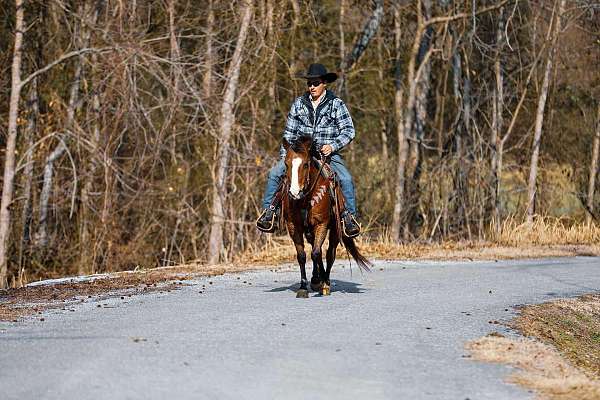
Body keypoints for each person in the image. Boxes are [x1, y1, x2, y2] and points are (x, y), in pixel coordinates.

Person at [256, 63, 360, 237]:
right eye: (309, 83)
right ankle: (269, 212)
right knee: (275, 174)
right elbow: (289, 133)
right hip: (299, 154)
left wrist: (332, 146)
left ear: (324, 83)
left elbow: (349, 130)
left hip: (327, 154)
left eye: (316, 83)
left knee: (346, 179)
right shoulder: (298, 104)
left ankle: (348, 218)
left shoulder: (336, 104)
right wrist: (286, 158)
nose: (312, 87)